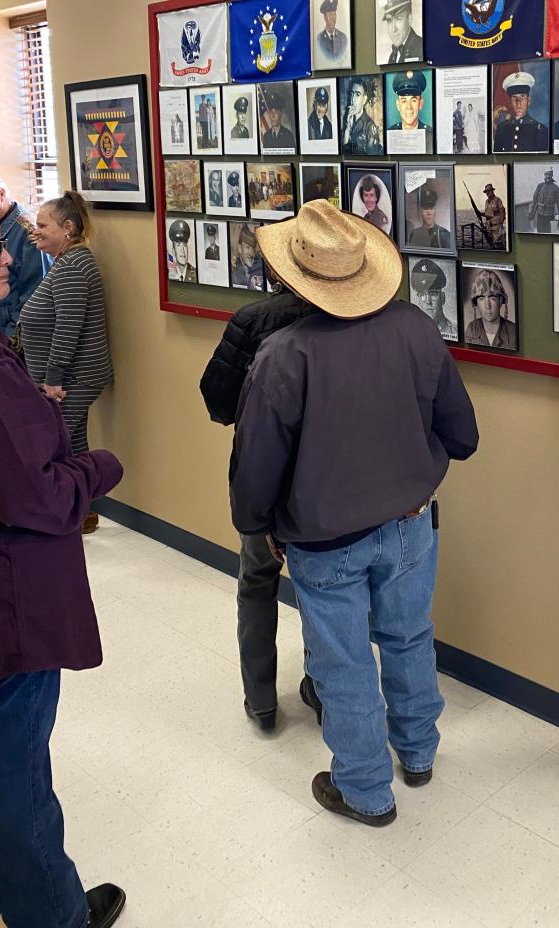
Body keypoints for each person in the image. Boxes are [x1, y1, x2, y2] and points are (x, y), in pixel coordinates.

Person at [230, 202, 478, 825]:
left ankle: (365, 789)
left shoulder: (285, 354)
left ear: (295, 276)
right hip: (411, 524)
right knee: (408, 634)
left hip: (325, 538)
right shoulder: (417, 329)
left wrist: (255, 524)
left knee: (342, 660)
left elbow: (256, 465)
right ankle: (418, 753)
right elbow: (464, 434)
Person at [0, 196, 127, 928]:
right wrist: (95, 467)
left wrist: (26, 407)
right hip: (3, 615)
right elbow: (39, 495)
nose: (12, 252)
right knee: (19, 787)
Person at [200, 264, 317, 732]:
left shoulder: (252, 320)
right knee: (323, 591)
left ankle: (262, 698)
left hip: (260, 473)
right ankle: (322, 688)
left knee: (256, 583)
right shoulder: (348, 319)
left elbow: (218, 401)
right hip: (321, 480)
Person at [19, 191, 114, 468]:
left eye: (43, 226)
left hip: (72, 378)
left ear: (68, 228)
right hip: (70, 376)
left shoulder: (73, 267)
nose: (36, 232)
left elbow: (67, 330)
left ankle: (69, 506)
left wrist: (52, 380)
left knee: (55, 443)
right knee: (72, 444)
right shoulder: (67, 261)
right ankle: (83, 507)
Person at [0, 169, 48, 337]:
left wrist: (10, 341)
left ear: (1, 194)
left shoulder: (29, 233)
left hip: (3, 339)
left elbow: (34, 300)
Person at [464, 267, 517, 350]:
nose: (487, 306)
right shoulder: (472, 329)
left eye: (492, 298)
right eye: (481, 298)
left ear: (500, 300)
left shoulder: (513, 331)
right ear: (476, 303)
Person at [493, 71, 548, 151]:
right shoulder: (501, 128)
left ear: (528, 100)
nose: (518, 102)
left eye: (522, 96)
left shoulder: (540, 130)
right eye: (514, 97)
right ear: (509, 102)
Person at [410, 257, 456, 339]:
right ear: (418, 298)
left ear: (442, 298)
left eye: (433, 294)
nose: (428, 301)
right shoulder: (412, 330)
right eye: (422, 295)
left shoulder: (455, 332)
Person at [388, 69, 433, 150]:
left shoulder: (431, 135)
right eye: (404, 101)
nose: (409, 107)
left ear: (421, 104)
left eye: (414, 100)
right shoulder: (390, 134)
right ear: (398, 105)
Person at [379, 0, 423, 64]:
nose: (393, 29)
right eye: (389, 21)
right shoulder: (393, 56)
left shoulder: (421, 48)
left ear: (409, 19)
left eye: (399, 19)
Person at [342, 76, 383, 155]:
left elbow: (374, 158)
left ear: (364, 99)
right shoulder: (346, 121)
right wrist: (347, 130)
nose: (352, 99)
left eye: (357, 95)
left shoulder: (369, 126)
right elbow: (343, 155)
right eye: (352, 94)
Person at [409, 183, 451, 249]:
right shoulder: (414, 234)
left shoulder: (445, 235)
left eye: (431, 208)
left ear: (435, 211)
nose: (429, 213)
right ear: (420, 211)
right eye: (425, 209)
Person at [315, 0, 349, 67]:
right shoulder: (319, 39)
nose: (333, 18)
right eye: (330, 14)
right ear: (324, 17)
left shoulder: (343, 38)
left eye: (334, 14)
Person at [529, 167, 559, 233]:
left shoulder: (555, 188)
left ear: (552, 175)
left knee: (548, 233)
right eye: (546, 174)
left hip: (550, 215)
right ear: (544, 175)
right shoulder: (540, 186)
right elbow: (534, 200)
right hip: (540, 216)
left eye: (550, 174)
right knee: (540, 233)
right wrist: (531, 214)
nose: (548, 176)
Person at [231, 223, 264, 291]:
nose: (251, 253)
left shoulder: (259, 267)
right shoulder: (235, 273)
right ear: (240, 248)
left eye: (253, 248)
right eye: (247, 247)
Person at [168, 218, 197, 283]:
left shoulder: (196, 274)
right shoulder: (168, 272)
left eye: (184, 244)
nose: (182, 250)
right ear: (173, 251)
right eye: (178, 245)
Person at [482, 182, 506, 248]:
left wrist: (500, 223)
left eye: (489, 191)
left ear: (492, 191)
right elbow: (488, 213)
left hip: (496, 227)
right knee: (490, 245)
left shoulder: (498, 200)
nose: (488, 192)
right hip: (488, 227)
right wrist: (481, 214)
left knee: (498, 245)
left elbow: (502, 212)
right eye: (486, 191)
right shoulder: (486, 202)